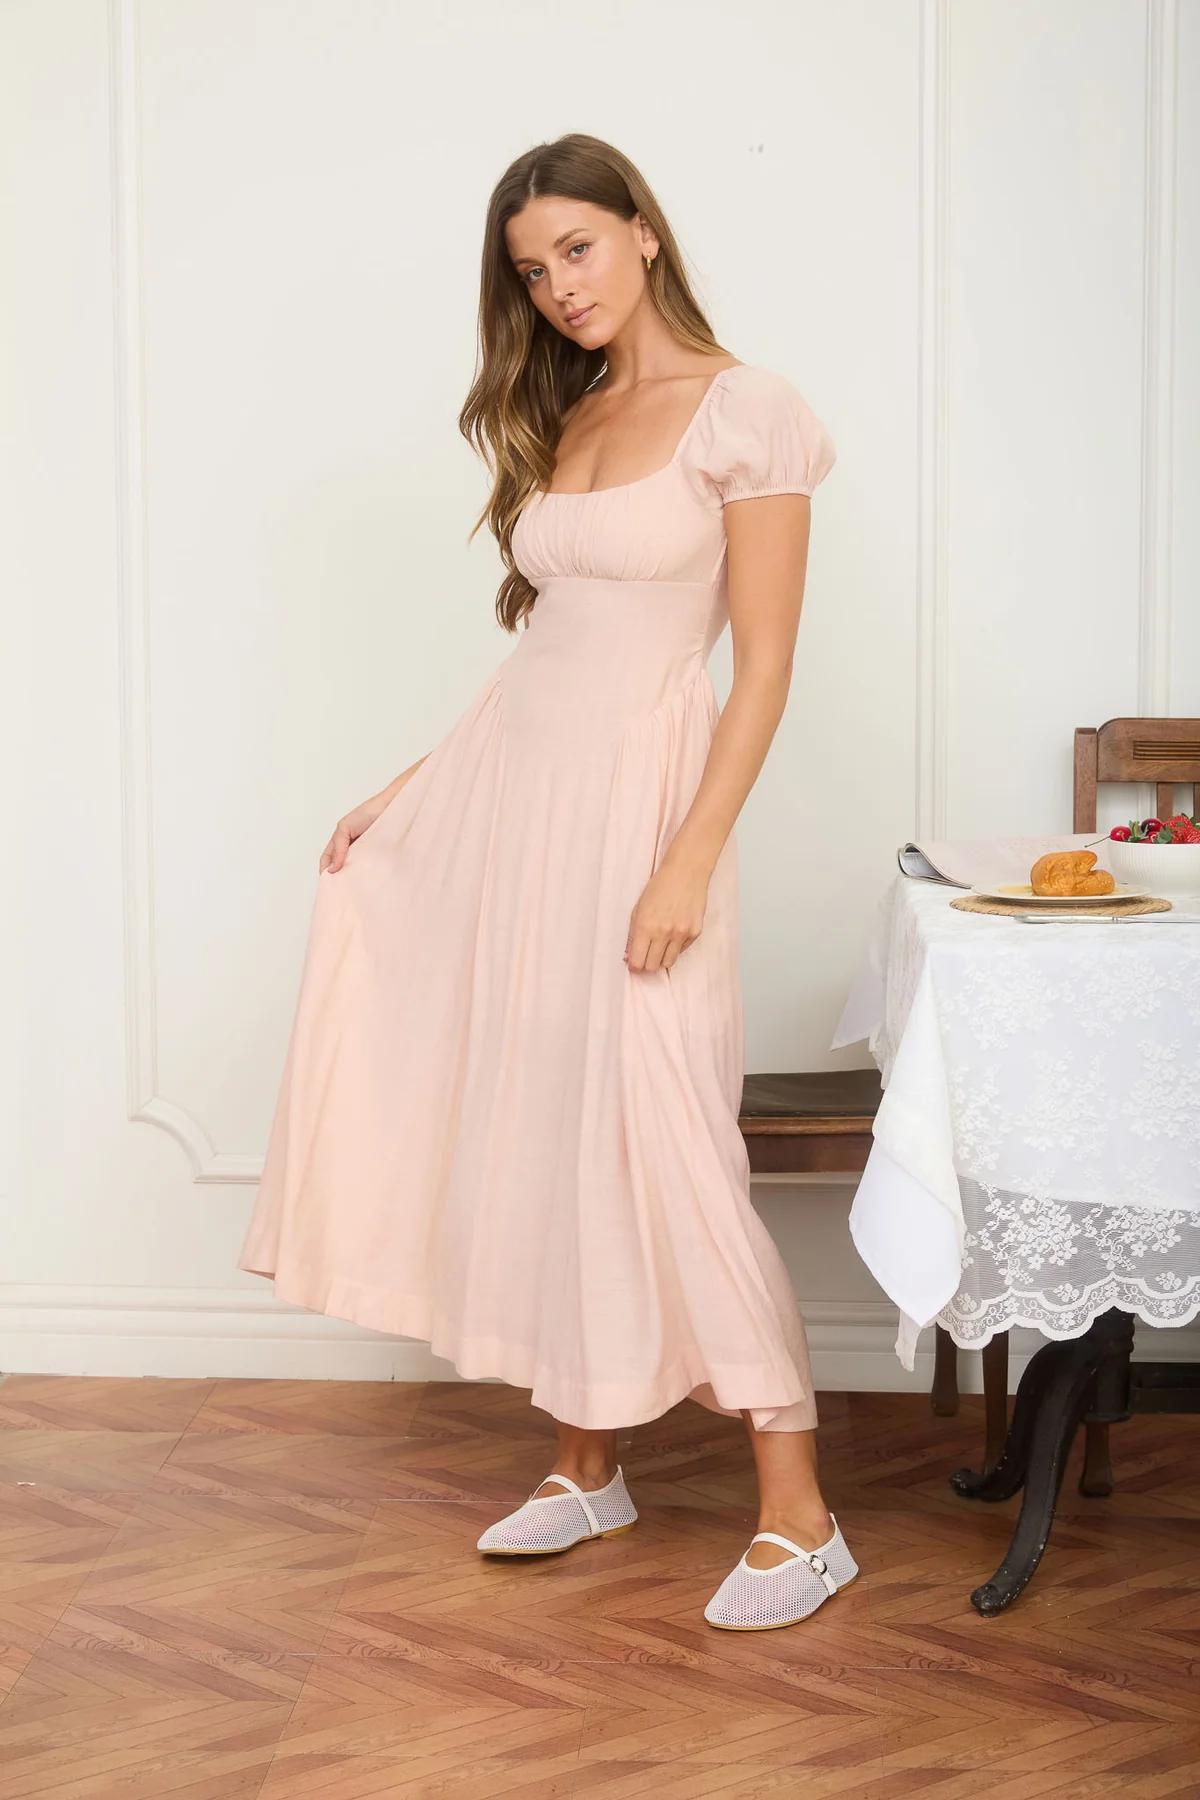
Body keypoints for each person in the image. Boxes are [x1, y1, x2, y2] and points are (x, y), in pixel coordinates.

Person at [239, 131, 858, 1631]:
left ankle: (804, 1514)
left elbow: (761, 668)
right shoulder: (570, 413)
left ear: (643, 231)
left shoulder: (747, 412)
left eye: (577, 248)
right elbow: (546, 657)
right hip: (521, 808)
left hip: (647, 818)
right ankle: (589, 1460)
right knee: (545, 1117)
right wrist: (415, 788)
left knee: (665, 1134)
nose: (559, 286)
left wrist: (689, 858)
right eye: (531, 269)